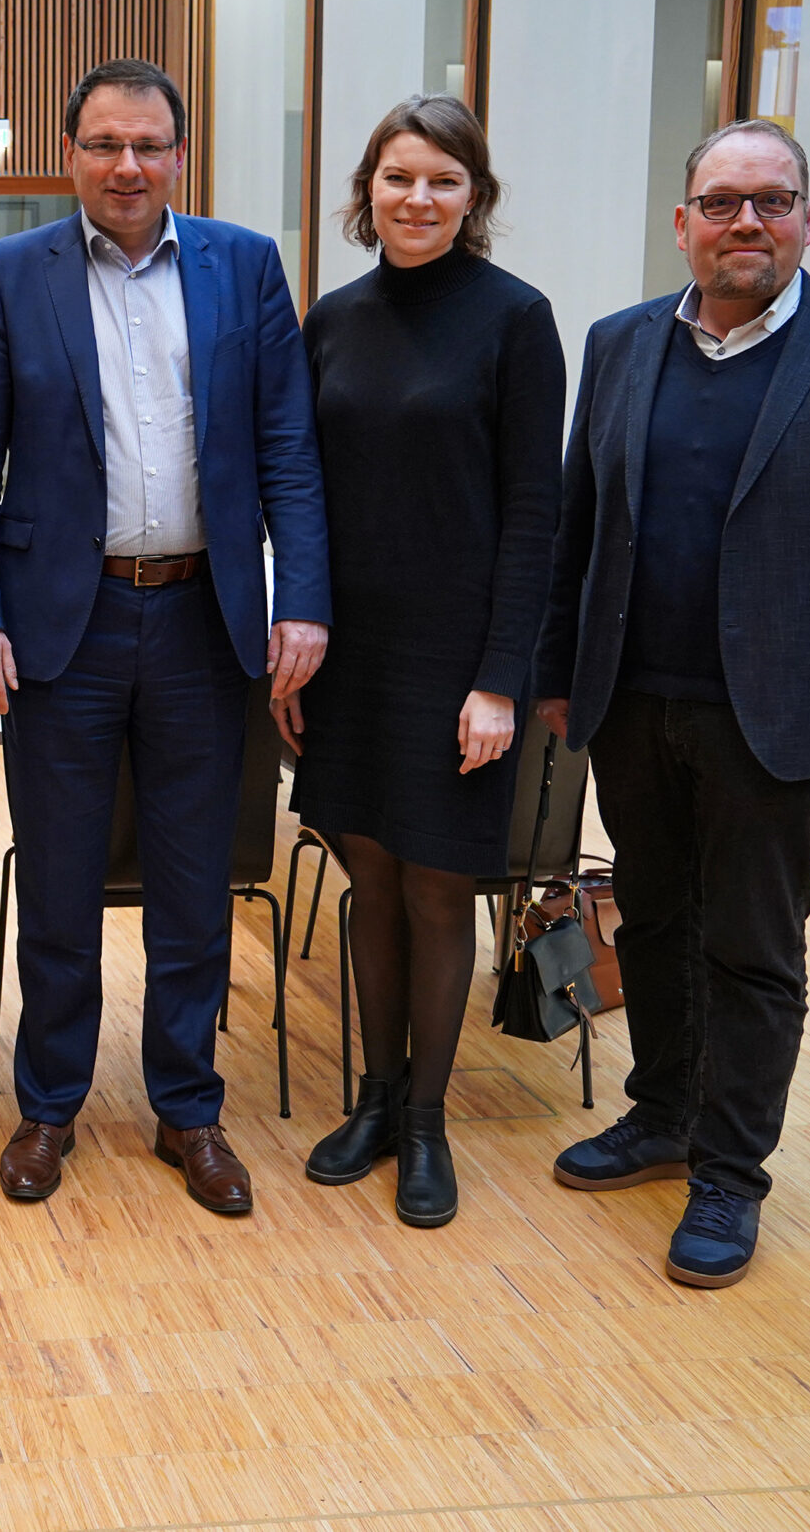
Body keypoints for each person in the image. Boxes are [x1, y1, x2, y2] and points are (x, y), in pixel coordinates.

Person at [535, 119, 810, 1288]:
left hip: (781, 717)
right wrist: (556, 676)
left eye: (771, 203)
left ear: (806, 220)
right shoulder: (622, 345)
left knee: (753, 948)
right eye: (722, 204)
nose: (746, 224)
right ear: (682, 225)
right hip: (632, 704)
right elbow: (579, 525)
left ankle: (730, 1174)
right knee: (658, 924)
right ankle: (662, 1113)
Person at [0, 59, 331, 1211]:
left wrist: (297, 595)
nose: (126, 166)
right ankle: (49, 1106)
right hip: (68, 621)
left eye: (148, 145)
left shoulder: (243, 266)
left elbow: (288, 454)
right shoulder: (11, 274)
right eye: (104, 144)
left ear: (177, 155)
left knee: (192, 883)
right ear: (70, 155)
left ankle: (187, 1110)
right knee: (57, 884)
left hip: (209, 622)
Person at [277, 96, 564, 1228]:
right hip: (349, 651)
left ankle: (431, 1122)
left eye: (443, 181)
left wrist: (499, 678)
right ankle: (377, 1099)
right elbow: (300, 496)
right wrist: (294, 644)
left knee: (443, 889)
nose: (417, 198)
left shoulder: (515, 320)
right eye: (398, 178)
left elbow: (535, 514)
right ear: (366, 191)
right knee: (373, 883)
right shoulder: (334, 320)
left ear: (473, 199)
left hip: (459, 660)